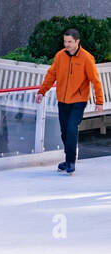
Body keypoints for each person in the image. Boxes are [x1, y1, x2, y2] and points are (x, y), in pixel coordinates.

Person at [36, 28, 105, 175]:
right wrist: (42, 91)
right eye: (65, 41)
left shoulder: (87, 58)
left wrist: (99, 101)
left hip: (78, 100)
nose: (66, 44)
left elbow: (95, 81)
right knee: (64, 132)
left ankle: (71, 162)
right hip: (63, 100)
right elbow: (51, 75)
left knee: (72, 129)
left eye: (70, 42)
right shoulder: (60, 56)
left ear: (77, 42)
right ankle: (68, 159)